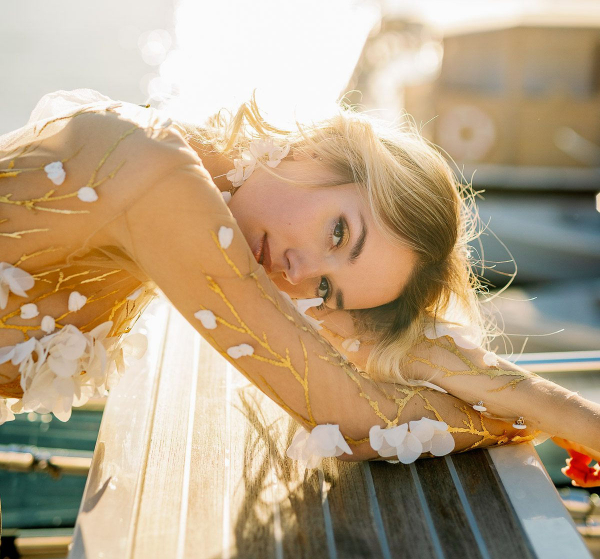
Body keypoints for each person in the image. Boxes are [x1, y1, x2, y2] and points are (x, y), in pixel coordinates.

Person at [0, 89, 598, 482]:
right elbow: (352, 420)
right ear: (316, 149)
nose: (296, 271)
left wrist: (438, 361)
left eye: (326, 289)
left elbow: (350, 382)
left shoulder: (194, 185)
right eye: (339, 233)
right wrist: (537, 413)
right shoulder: (155, 174)